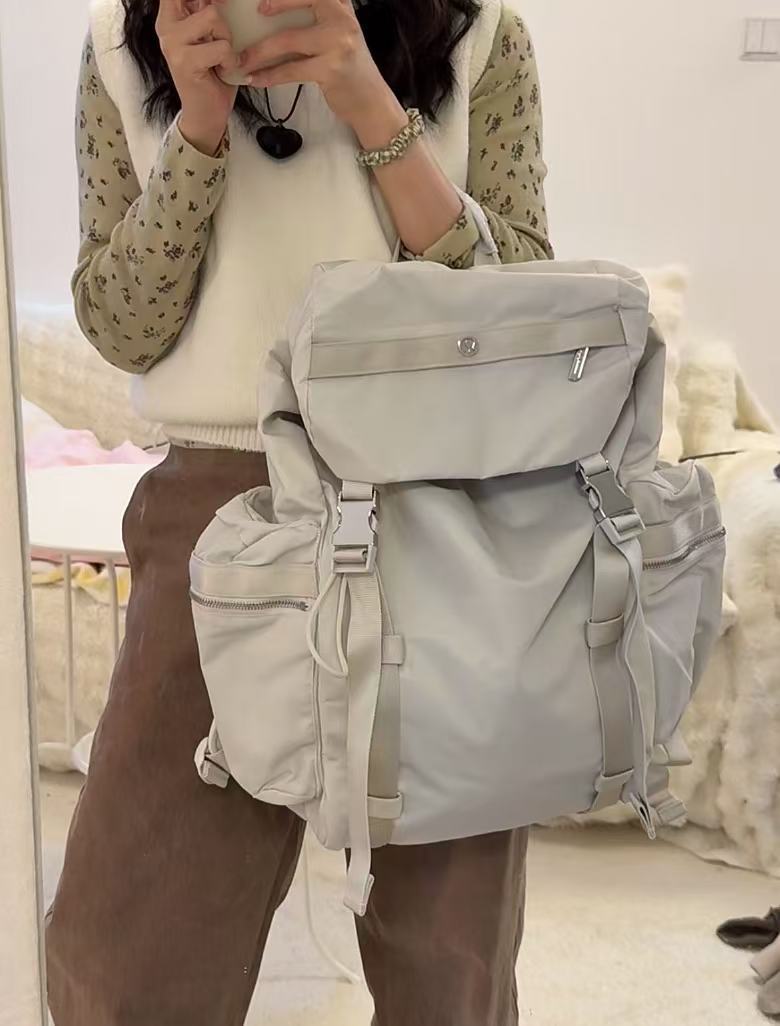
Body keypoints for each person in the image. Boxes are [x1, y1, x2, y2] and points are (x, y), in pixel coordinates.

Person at [46, 0, 552, 1022]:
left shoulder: (479, 30)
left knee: (448, 959)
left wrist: (369, 102)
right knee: (130, 947)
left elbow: (519, 312)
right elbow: (124, 327)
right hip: (218, 510)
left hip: (438, 500)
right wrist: (196, 127)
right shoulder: (120, 42)